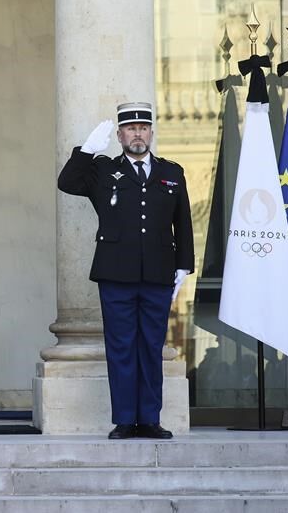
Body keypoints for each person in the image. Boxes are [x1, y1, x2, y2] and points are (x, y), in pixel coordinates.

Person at [57, 101, 194, 440]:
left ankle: (149, 418)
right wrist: (86, 150)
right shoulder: (103, 171)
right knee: (120, 348)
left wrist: (184, 266)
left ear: (151, 132)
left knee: (151, 347)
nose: (138, 134)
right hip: (116, 273)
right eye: (131, 129)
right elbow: (67, 182)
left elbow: (184, 223)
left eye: (143, 128)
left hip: (159, 274)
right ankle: (124, 419)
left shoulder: (171, 172)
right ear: (119, 135)